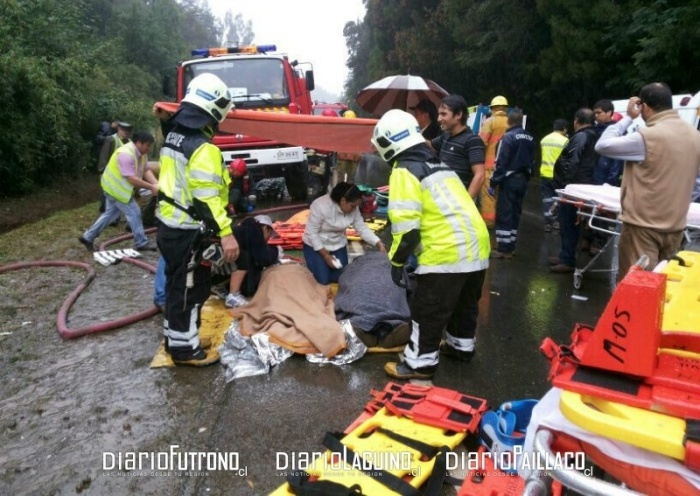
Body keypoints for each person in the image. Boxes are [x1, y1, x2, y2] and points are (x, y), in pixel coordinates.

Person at [372, 110, 490, 380]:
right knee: (464, 305)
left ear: (387, 142)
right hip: (477, 247)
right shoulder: (442, 166)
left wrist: (397, 261)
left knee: (428, 310)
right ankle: (462, 348)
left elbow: (407, 228)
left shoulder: (404, 171)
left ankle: (419, 365)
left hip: (445, 252)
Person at [157, 72, 239, 366]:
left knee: (176, 286)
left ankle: (177, 338)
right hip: (188, 230)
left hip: (170, 226)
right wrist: (226, 233)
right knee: (190, 290)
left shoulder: (174, 137)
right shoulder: (203, 149)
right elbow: (205, 198)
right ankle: (185, 351)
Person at [595, 82, 700, 281]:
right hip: (676, 227)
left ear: (645, 106)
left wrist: (628, 117)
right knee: (663, 285)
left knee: (637, 285)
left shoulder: (646, 137)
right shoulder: (695, 137)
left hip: (642, 226)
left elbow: (603, 145)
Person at [78, 131, 158, 252]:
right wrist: (152, 188)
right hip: (116, 190)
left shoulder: (141, 153)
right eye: (147, 145)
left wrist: (156, 184)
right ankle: (141, 243)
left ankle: (87, 237)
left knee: (110, 214)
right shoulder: (126, 154)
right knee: (134, 212)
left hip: (114, 188)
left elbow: (146, 169)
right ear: (139, 143)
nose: (149, 148)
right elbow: (131, 179)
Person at [302, 182, 386, 285]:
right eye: (352, 206)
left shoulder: (353, 209)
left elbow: (362, 228)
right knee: (323, 280)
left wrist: (378, 242)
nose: (355, 209)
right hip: (315, 245)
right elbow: (312, 233)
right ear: (343, 201)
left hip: (337, 244)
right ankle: (314, 262)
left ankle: (322, 266)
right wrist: (325, 256)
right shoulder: (320, 205)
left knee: (341, 278)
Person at [550, 108, 599, 273]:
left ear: (576, 120)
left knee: (568, 222)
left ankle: (567, 259)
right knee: (573, 223)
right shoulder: (595, 135)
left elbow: (572, 161)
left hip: (574, 187)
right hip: (586, 185)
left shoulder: (581, 136)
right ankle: (566, 254)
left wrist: (565, 185)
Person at [490, 110, 536, 259]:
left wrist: (493, 182)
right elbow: (532, 161)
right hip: (523, 180)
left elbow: (502, 162)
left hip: (509, 180)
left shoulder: (508, 137)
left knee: (505, 212)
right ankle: (512, 245)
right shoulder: (530, 138)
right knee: (516, 212)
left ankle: (503, 249)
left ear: (509, 122)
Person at [429, 94, 485, 200]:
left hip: (457, 205)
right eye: (439, 114)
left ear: (459, 114)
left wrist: (465, 204)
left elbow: (480, 175)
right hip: (441, 200)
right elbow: (430, 145)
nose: (439, 119)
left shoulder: (472, 140)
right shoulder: (446, 136)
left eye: (443, 114)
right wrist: (412, 134)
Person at [224, 214, 280, 308]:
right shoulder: (253, 231)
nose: (268, 239)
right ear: (266, 229)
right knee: (245, 257)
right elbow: (265, 259)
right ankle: (233, 295)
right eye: (270, 235)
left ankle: (221, 287)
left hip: (216, 264)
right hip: (220, 260)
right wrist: (275, 250)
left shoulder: (242, 230)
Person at [479, 95, 510, 228]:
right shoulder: (512, 122)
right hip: (508, 166)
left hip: (490, 165)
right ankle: (503, 222)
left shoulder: (490, 121)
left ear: (492, 108)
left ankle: (488, 222)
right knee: (504, 196)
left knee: (489, 196)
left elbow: (481, 143)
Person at [540, 119, 568, 232]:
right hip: (559, 175)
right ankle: (557, 222)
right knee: (558, 199)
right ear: (564, 128)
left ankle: (548, 222)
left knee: (547, 199)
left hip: (545, 173)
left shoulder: (544, 139)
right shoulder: (566, 141)